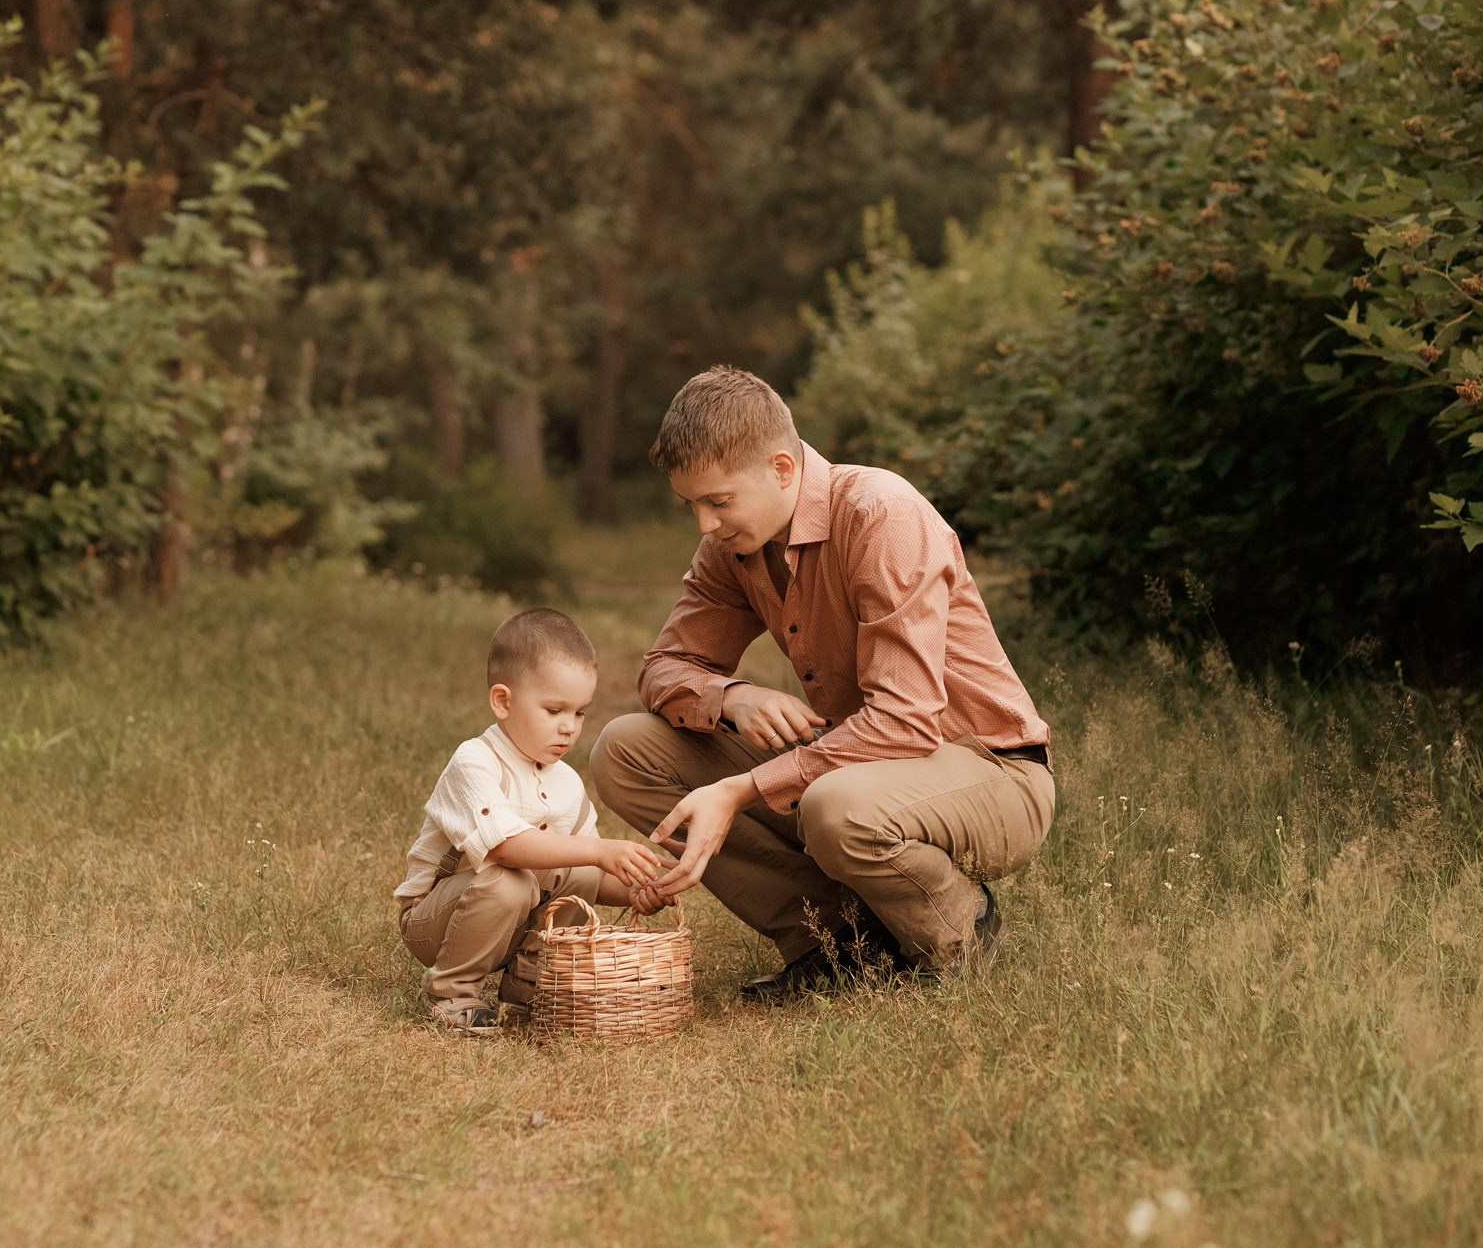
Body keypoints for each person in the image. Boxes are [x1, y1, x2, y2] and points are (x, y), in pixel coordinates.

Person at [590, 366, 1054, 1001]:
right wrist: (730, 697)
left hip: (992, 771)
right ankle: (836, 943)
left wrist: (742, 788)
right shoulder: (734, 544)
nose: (703, 524)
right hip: (863, 765)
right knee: (624, 750)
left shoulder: (882, 515)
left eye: (718, 501)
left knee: (833, 807)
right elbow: (664, 668)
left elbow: (906, 721)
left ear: (783, 468)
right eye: (690, 505)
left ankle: (960, 934)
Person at [394, 608, 672, 1035]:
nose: (569, 727)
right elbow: (508, 848)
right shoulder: (475, 762)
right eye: (553, 709)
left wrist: (638, 890)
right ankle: (453, 991)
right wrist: (600, 851)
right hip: (436, 924)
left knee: (577, 868)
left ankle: (529, 981)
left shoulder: (565, 782)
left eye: (579, 713)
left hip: (510, 923)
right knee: (512, 877)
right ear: (503, 701)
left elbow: (588, 877)